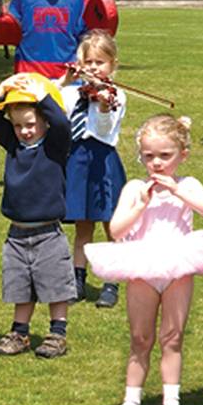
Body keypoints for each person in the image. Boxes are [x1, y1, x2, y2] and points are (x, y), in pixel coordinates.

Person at [88, 114, 203, 405]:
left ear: (182, 156)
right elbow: (116, 230)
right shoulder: (135, 187)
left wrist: (178, 191)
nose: (157, 164)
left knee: (173, 336)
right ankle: (131, 401)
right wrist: (140, 206)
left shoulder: (187, 185)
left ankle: (172, 400)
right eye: (149, 157)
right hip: (143, 264)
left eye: (165, 156)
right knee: (140, 337)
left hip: (178, 264)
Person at [0, 72, 77, 358]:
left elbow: (62, 124)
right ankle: (19, 333)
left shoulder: (54, 146)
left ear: (44, 122)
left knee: (55, 284)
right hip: (16, 233)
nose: (25, 131)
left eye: (31, 125)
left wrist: (44, 97)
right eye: (18, 126)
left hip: (48, 232)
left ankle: (57, 334)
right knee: (19, 285)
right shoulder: (14, 146)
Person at [60, 31, 128, 310]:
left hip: (103, 162)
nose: (94, 68)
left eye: (100, 62)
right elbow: (52, 107)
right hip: (76, 161)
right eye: (89, 62)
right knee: (82, 226)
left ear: (112, 65)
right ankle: (77, 280)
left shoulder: (115, 95)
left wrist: (101, 106)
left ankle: (111, 282)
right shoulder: (72, 91)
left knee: (111, 225)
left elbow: (103, 131)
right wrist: (65, 81)